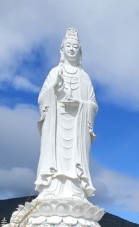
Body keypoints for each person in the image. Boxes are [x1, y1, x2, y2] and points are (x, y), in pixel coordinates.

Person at [34, 28, 97, 200]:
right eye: (68, 45)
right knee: (53, 156)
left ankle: (75, 189)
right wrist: (53, 88)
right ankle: (52, 188)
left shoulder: (84, 77)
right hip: (56, 123)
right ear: (62, 49)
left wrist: (81, 105)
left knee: (75, 158)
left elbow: (93, 104)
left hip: (77, 125)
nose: (71, 49)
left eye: (74, 46)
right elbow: (42, 98)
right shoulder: (55, 72)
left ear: (79, 51)